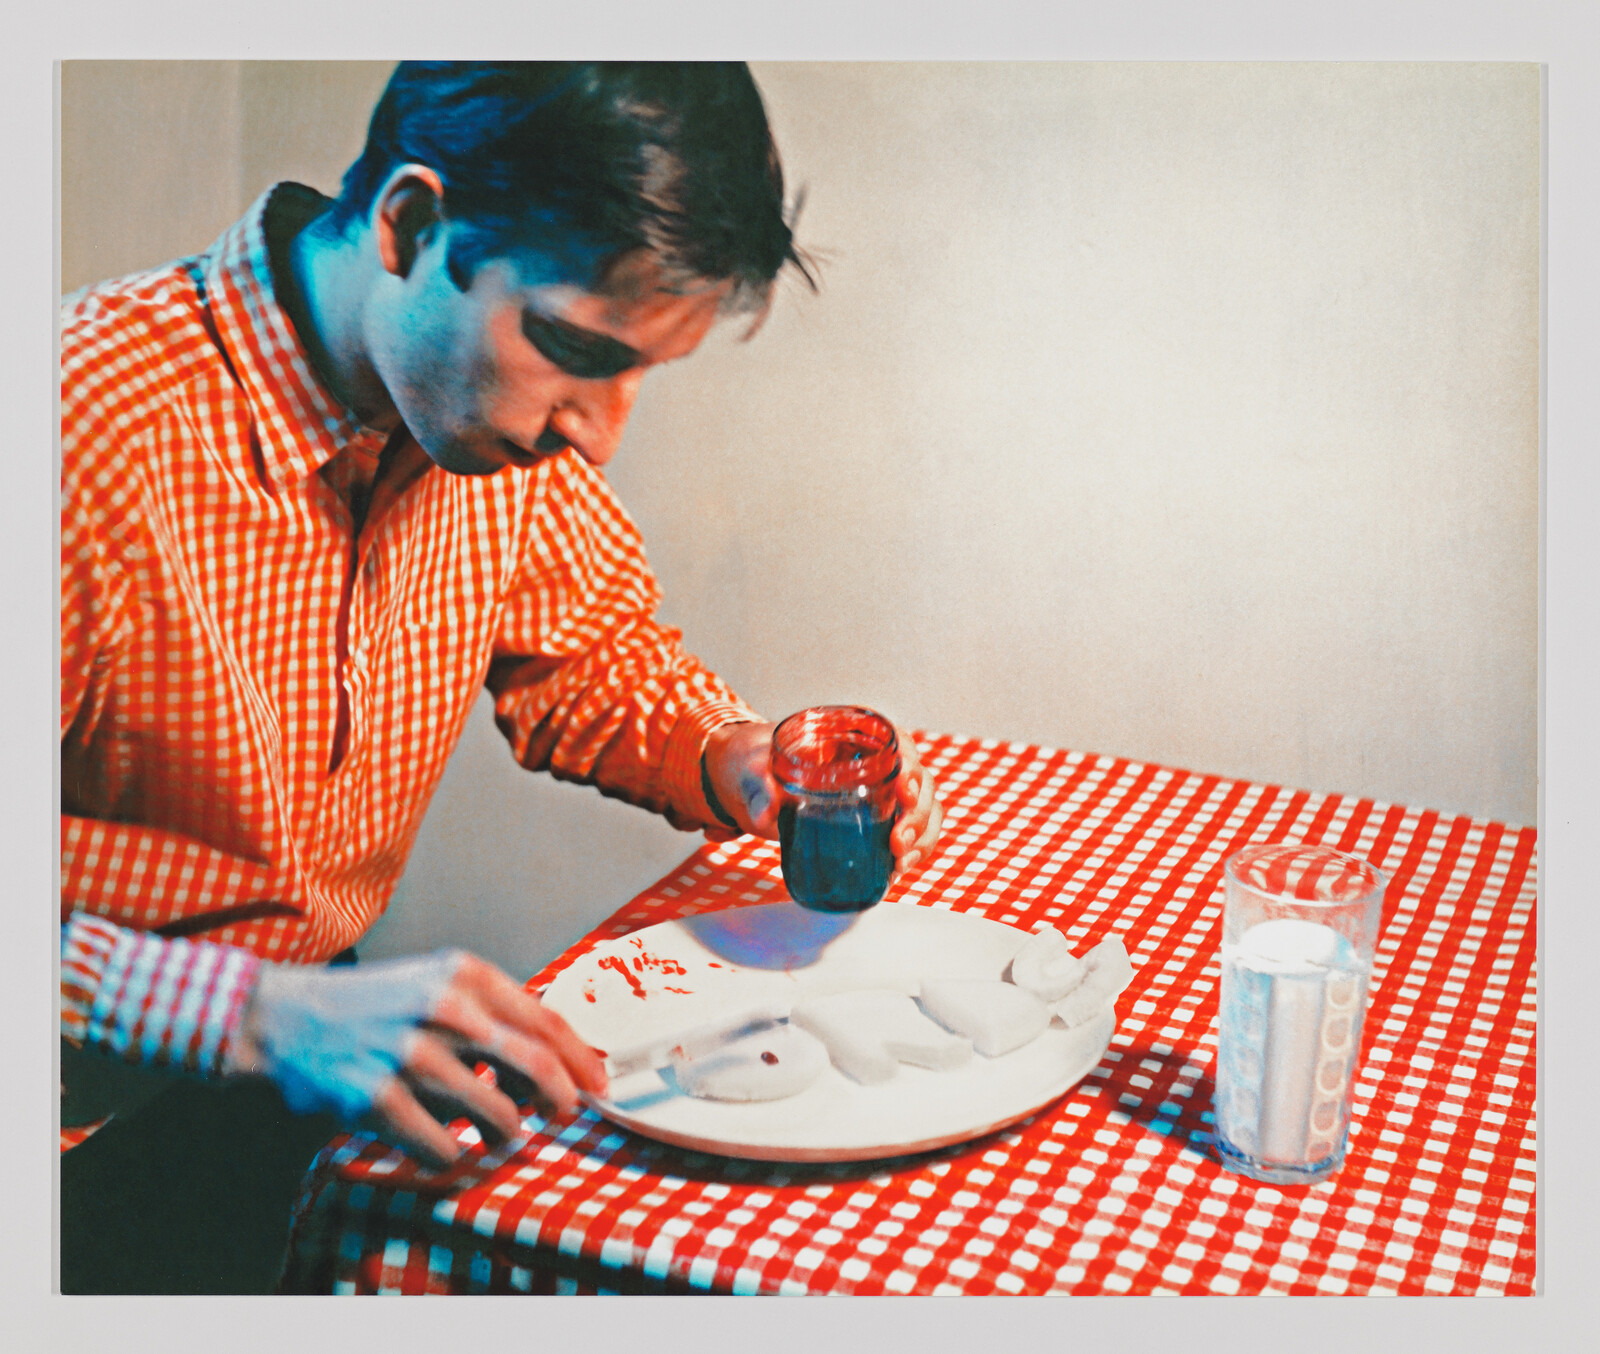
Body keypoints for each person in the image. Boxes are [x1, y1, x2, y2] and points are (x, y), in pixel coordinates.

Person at [59, 61, 944, 1291]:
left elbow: (596, 653)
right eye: (573, 348)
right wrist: (248, 1012)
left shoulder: (489, 435)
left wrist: (729, 754)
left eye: (640, 372)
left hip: (306, 1045)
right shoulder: (73, 431)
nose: (601, 432)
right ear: (412, 225)